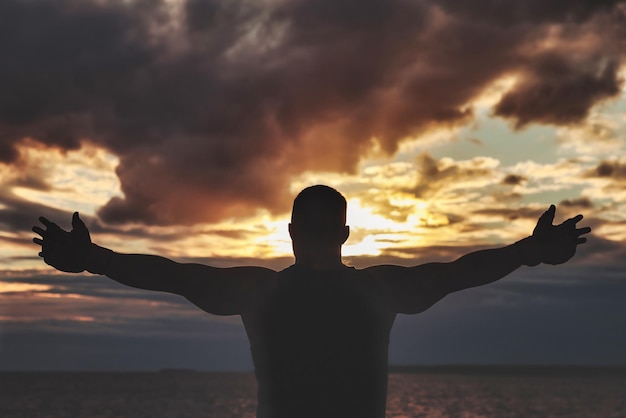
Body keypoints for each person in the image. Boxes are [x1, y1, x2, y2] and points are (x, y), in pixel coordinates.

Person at [32, 185, 591, 418]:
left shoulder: (260, 291)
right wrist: (529, 251)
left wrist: (96, 259)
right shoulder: (378, 291)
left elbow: (174, 276)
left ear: (292, 232)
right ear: (344, 235)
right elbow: (461, 272)